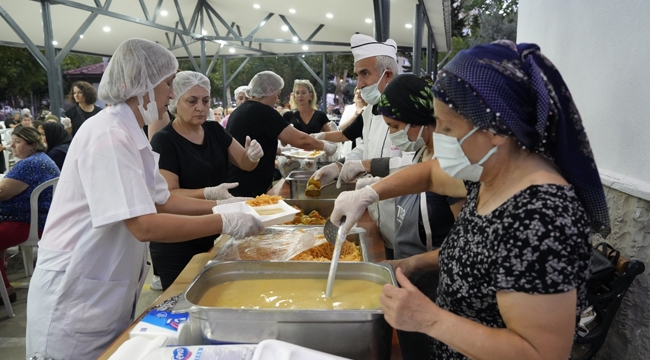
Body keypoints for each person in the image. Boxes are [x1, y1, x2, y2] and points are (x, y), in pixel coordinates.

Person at [330, 41, 608, 359]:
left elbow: (540, 353)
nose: (440, 136)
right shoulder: (489, 172)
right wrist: (369, 194)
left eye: (448, 127)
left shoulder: (542, 216)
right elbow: (431, 174)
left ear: (496, 129)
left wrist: (429, 319)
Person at [25, 38, 264, 360]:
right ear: (141, 85)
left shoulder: (130, 133)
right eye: (167, 84)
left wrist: (225, 204)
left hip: (105, 282)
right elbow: (144, 224)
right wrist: (224, 221)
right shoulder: (108, 135)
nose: (170, 92)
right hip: (76, 285)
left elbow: (162, 200)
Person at [150, 71, 263, 290]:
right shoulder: (164, 141)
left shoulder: (213, 130)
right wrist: (209, 193)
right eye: (192, 101)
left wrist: (252, 156)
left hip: (211, 231)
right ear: (175, 102)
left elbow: (244, 163)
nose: (200, 107)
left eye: (205, 100)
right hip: (177, 238)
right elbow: (168, 195)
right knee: (180, 300)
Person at [312, 33, 412, 259]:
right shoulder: (370, 111)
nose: (359, 84)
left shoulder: (411, 110)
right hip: (380, 215)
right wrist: (340, 165)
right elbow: (366, 146)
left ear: (387, 74)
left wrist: (368, 165)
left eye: (364, 74)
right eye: (357, 75)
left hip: (406, 216)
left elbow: (419, 164)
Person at [225, 71, 337, 197]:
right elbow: (301, 140)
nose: (277, 99)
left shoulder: (242, 110)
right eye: (277, 94)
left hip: (237, 178)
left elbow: (258, 142)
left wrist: (282, 151)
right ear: (269, 90)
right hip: (248, 183)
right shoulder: (264, 111)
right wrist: (325, 146)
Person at [0, 126, 60, 304]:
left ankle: (5, 290)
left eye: (17, 142)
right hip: (40, 220)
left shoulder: (29, 164)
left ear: (32, 145)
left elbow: (2, 192)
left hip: (30, 223)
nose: (12, 146)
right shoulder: (40, 159)